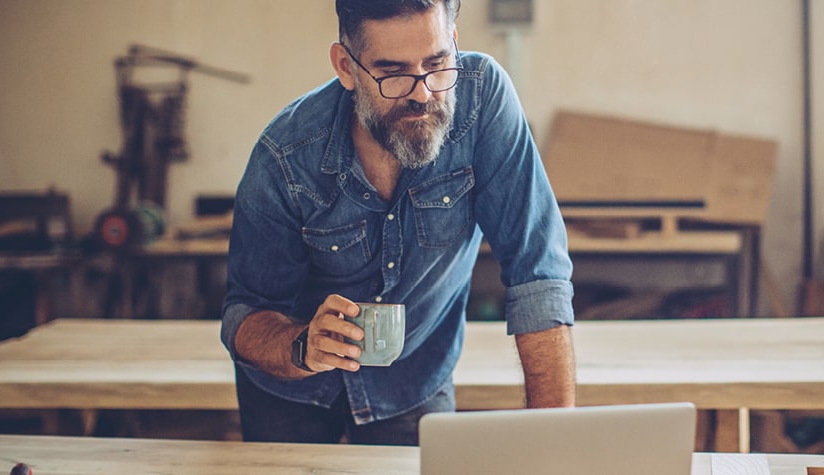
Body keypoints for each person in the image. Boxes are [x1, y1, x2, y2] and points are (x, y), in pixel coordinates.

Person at [220, 0, 576, 446]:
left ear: (454, 45)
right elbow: (244, 314)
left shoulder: (482, 102)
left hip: (413, 380)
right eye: (393, 73)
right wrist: (302, 344)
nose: (422, 94)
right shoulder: (286, 156)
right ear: (346, 68)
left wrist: (555, 444)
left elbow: (538, 274)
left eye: (437, 63)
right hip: (292, 391)